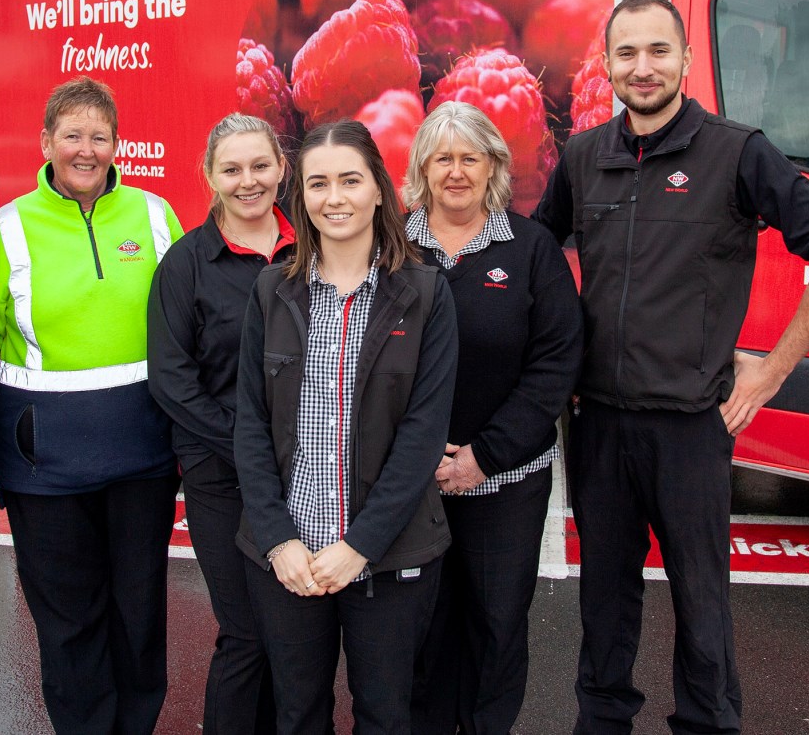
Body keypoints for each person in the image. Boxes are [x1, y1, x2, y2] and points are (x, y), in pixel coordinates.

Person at [531, 0, 809, 735]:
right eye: (627, 53)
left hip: (691, 426)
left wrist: (771, 371)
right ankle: (603, 723)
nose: (642, 67)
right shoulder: (584, 158)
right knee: (604, 602)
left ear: (686, 59)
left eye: (658, 51)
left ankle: (709, 725)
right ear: (609, 64)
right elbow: (535, 261)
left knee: (701, 601)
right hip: (600, 425)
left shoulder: (737, 150)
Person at [233, 119, 459, 734]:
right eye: (318, 183)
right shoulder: (270, 292)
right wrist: (279, 541)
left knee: (386, 714)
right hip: (290, 555)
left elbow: (421, 434)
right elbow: (250, 425)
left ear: (380, 190)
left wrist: (359, 545)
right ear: (300, 196)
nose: (335, 197)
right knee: (297, 713)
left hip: (387, 553)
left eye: (351, 180)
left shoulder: (425, 293)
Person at [0, 76, 183, 734]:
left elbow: (187, 329)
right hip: (45, 466)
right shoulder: (5, 230)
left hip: (143, 459)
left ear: (117, 143)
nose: (87, 149)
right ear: (47, 142)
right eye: (73, 134)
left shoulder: (155, 217)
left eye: (100, 135)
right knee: (68, 622)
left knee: (138, 611)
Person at [406, 101, 583, 734]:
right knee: (420, 632)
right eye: (442, 158)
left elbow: (556, 364)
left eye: (470, 158)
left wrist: (485, 456)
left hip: (504, 481)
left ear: (494, 168)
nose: (456, 172)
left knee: (497, 626)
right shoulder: (393, 248)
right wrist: (416, 456)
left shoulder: (531, 249)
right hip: (412, 482)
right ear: (422, 168)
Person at [147, 112, 294, 734]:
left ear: (282, 168)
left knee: (295, 639)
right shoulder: (186, 265)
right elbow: (172, 381)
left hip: (309, 476)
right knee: (247, 634)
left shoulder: (317, 247)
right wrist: (247, 449)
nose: (248, 181)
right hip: (223, 478)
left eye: (260, 166)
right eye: (231, 169)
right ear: (210, 175)